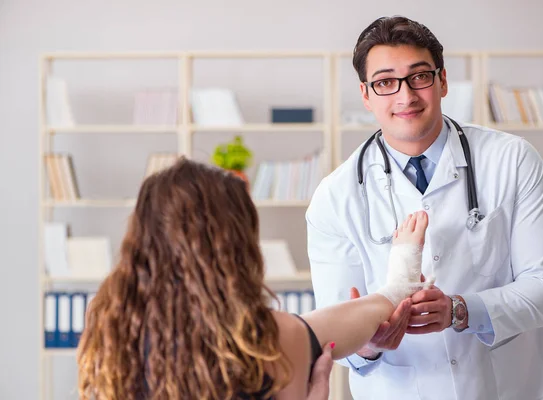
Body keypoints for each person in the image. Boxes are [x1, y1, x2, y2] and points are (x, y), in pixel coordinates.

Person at [306, 15, 543, 400]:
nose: (405, 96)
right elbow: (335, 336)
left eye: (419, 76)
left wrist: (461, 310)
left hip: (510, 387)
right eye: (384, 83)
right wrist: (368, 343)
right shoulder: (335, 197)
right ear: (366, 95)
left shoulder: (512, 161)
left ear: (442, 80)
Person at [76, 158, 429, 400]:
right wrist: (402, 277)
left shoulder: (110, 331)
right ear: (235, 245)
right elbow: (366, 311)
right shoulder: (268, 340)